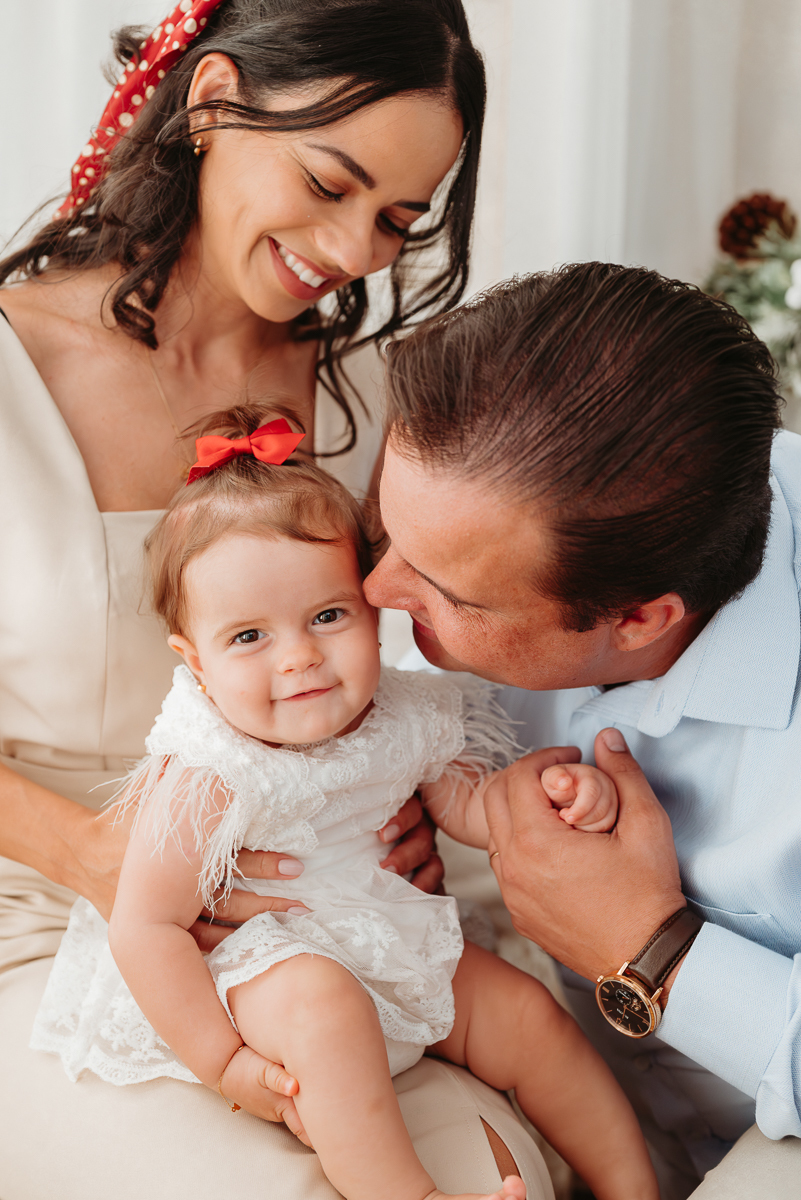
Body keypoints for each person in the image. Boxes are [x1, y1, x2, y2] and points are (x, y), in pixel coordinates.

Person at [0, 2, 556, 1196]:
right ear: (209, 103)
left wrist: (396, 802)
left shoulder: (365, 395)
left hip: (323, 915)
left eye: (396, 219)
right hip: (44, 924)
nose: (356, 252)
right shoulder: (12, 366)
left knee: (508, 1162)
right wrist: (111, 862)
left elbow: (408, 654)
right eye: (330, 181)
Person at [31, 405, 658, 1200]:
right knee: (326, 1010)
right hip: (258, 965)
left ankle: (634, 1187)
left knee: (527, 1014)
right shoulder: (209, 769)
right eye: (249, 638)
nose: (299, 659)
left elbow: (465, 806)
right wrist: (225, 1060)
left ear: (374, 609)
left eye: (327, 618)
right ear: (193, 661)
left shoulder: (404, 712)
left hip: (381, 934)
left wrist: (537, 795)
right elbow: (145, 925)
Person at [365, 261, 801, 1200]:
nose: (376, 594)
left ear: (638, 619)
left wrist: (653, 947)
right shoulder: (527, 505)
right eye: (383, 529)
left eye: (442, 592)